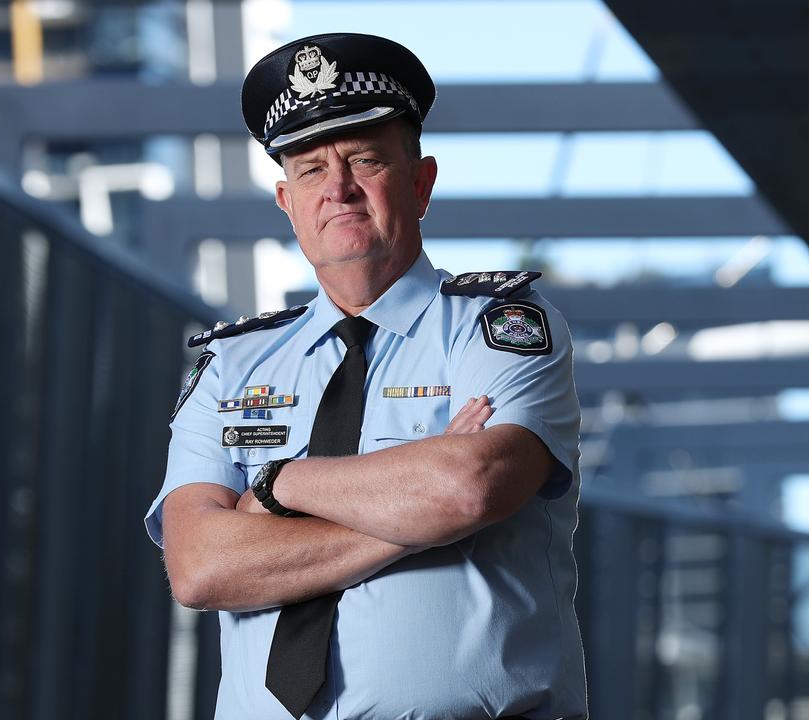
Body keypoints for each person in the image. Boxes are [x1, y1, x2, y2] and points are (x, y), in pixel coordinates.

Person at [144, 33, 587, 719]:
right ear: (288, 202)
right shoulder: (232, 366)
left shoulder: (497, 328)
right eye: (312, 170)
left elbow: (471, 487)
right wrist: (413, 513)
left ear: (421, 183)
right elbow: (200, 566)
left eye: (365, 160)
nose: (340, 189)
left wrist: (276, 484)